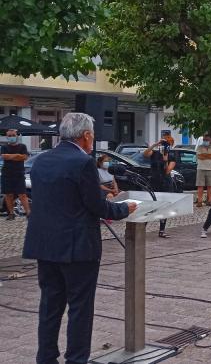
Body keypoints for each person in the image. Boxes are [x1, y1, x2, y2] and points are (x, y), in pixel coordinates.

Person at [23, 112, 136, 364]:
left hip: (45, 245)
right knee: (80, 309)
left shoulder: (41, 160)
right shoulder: (83, 162)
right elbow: (97, 206)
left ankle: (46, 358)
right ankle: (76, 359)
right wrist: (123, 208)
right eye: (93, 135)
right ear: (85, 136)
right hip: (77, 248)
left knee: (50, 307)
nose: (93, 140)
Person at [143, 133, 177, 238]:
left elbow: (167, 171)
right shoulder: (154, 153)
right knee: (150, 205)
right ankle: (142, 228)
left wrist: (165, 158)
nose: (165, 145)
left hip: (165, 183)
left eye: (168, 144)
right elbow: (145, 154)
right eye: (164, 143)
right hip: (154, 181)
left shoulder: (171, 156)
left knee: (164, 206)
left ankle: (162, 230)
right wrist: (155, 144)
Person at [1, 129, 31, 219]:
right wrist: (17, 155)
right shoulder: (4, 147)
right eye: (9, 136)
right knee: (8, 194)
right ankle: (11, 214)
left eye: (13, 135)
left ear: (17, 136)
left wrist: (11, 156)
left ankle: (28, 213)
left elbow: (24, 157)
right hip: (6, 174)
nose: (11, 137)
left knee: (22, 194)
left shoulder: (22, 146)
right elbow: (4, 157)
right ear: (7, 137)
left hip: (19, 174)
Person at [195, 134, 211, 208]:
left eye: (207, 140)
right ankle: (199, 201)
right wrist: (209, 155)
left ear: (210, 140)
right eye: (204, 140)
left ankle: (210, 201)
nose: (205, 141)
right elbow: (199, 156)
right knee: (200, 186)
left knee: (210, 186)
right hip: (200, 168)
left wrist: (205, 155)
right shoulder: (199, 147)